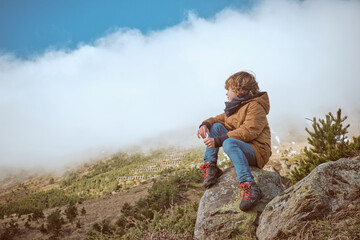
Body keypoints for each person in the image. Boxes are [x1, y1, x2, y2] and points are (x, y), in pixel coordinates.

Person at [197, 71, 272, 211]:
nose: (226, 93)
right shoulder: (236, 108)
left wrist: (219, 140)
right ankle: (210, 166)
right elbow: (218, 119)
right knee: (217, 126)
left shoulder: (256, 107)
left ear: (239, 90)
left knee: (228, 142)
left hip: (257, 151)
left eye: (229, 90)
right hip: (242, 148)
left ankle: (250, 187)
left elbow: (248, 131)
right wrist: (205, 125)